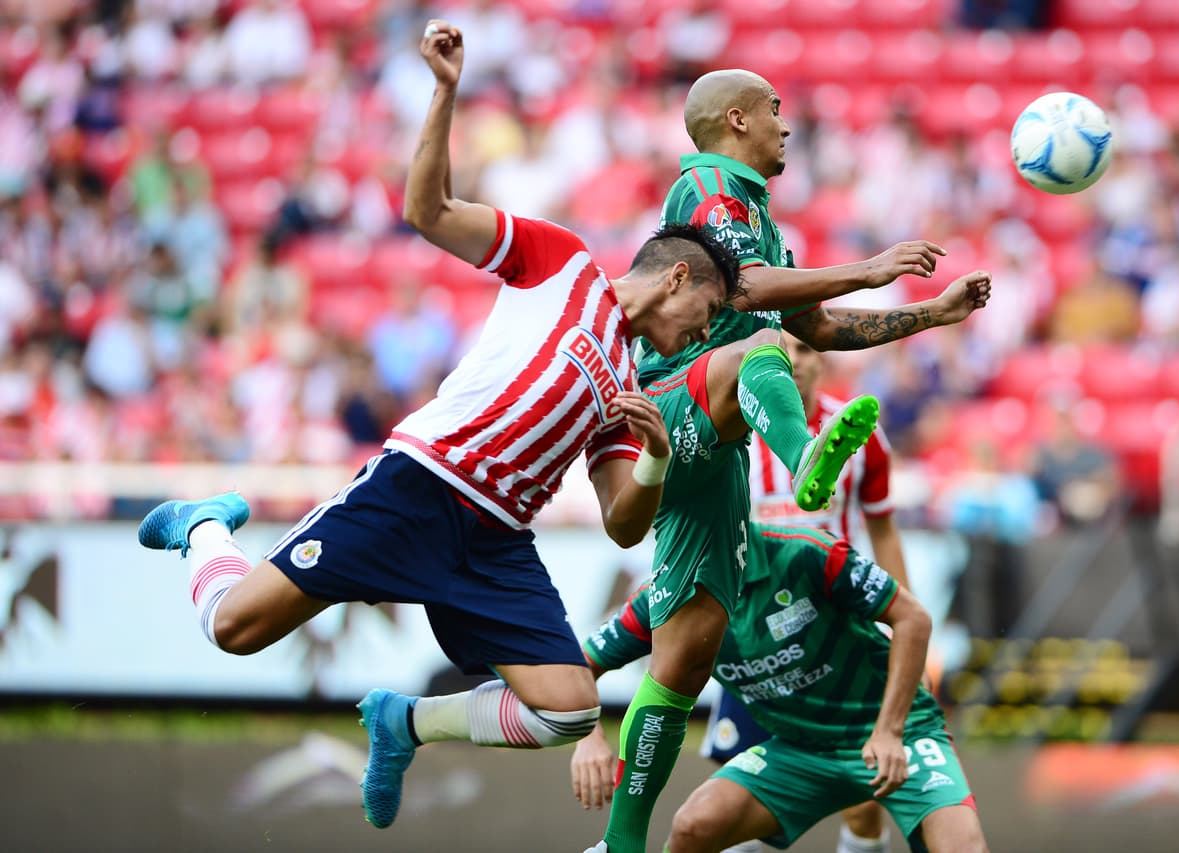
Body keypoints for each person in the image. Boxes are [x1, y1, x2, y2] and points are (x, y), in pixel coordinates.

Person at [136, 19, 740, 831]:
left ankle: (402, 720)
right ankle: (204, 525)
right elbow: (428, 209)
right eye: (705, 313)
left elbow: (623, 524)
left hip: (494, 539)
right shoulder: (561, 259)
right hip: (419, 486)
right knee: (233, 629)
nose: (701, 334)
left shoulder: (631, 388)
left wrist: (659, 458)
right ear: (675, 277)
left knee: (566, 710)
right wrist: (445, 92)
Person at [593, 68, 993, 853]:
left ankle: (611, 838)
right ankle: (804, 450)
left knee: (680, 653)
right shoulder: (710, 188)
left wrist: (930, 314)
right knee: (760, 349)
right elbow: (747, 295)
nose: (788, 123)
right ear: (736, 119)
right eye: (776, 110)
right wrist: (871, 266)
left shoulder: (758, 218)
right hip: (679, 400)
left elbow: (819, 329)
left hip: (716, 454)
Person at [572, 522, 990, 853]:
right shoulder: (664, 596)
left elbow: (914, 619)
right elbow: (579, 668)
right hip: (799, 749)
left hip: (900, 734)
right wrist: (588, 740)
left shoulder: (804, 550)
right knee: (693, 826)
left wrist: (890, 730)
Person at [714, 333, 912, 853]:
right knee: (742, 802)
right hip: (758, 632)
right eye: (778, 354)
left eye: (801, 351)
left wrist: (902, 613)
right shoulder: (730, 435)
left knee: (865, 792)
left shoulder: (860, 432)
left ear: (820, 359)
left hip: (841, 627)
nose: (792, 363)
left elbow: (884, 529)